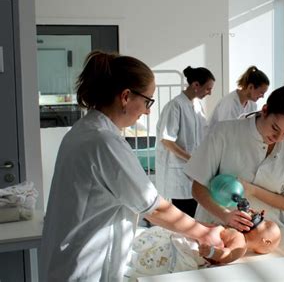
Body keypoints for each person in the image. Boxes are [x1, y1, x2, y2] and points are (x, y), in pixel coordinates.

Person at [40, 51, 223, 281]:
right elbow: (153, 207)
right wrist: (205, 233)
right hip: (86, 268)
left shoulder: (84, 130)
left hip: (70, 259)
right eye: (147, 101)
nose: (147, 111)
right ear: (126, 96)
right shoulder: (104, 142)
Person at [184, 78, 284, 231]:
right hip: (217, 229)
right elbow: (197, 188)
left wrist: (253, 190)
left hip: (264, 234)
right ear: (265, 110)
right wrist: (225, 216)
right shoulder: (224, 132)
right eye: (275, 128)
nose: (277, 138)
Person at [155, 66, 215, 217]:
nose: (210, 93)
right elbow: (167, 141)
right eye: (208, 88)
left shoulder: (197, 106)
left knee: (195, 212)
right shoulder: (175, 106)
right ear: (195, 85)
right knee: (183, 214)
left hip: (193, 169)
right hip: (179, 170)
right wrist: (191, 159)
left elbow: (202, 134)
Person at [130, 219, 281, 276]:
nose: (260, 219)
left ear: (266, 241)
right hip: (190, 236)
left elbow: (227, 255)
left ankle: (134, 257)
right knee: (158, 240)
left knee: (160, 252)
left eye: (265, 223)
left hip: (192, 248)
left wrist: (212, 252)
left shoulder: (240, 245)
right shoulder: (238, 232)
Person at [208, 66, 269, 132]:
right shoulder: (230, 104)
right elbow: (226, 133)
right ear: (251, 87)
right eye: (261, 93)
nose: (262, 96)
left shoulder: (252, 105)